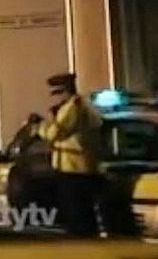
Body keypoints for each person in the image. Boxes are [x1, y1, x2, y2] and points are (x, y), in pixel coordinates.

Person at [38, 72, 103, 237]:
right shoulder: (80, 106)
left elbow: (54, 134)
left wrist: (40, 125)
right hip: (79, 168)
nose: (53, 98)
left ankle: (81, 243)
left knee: (77, 215)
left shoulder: (71, 108)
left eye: (55, 93)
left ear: (65, 91)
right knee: (81, 212)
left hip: (73, 169)